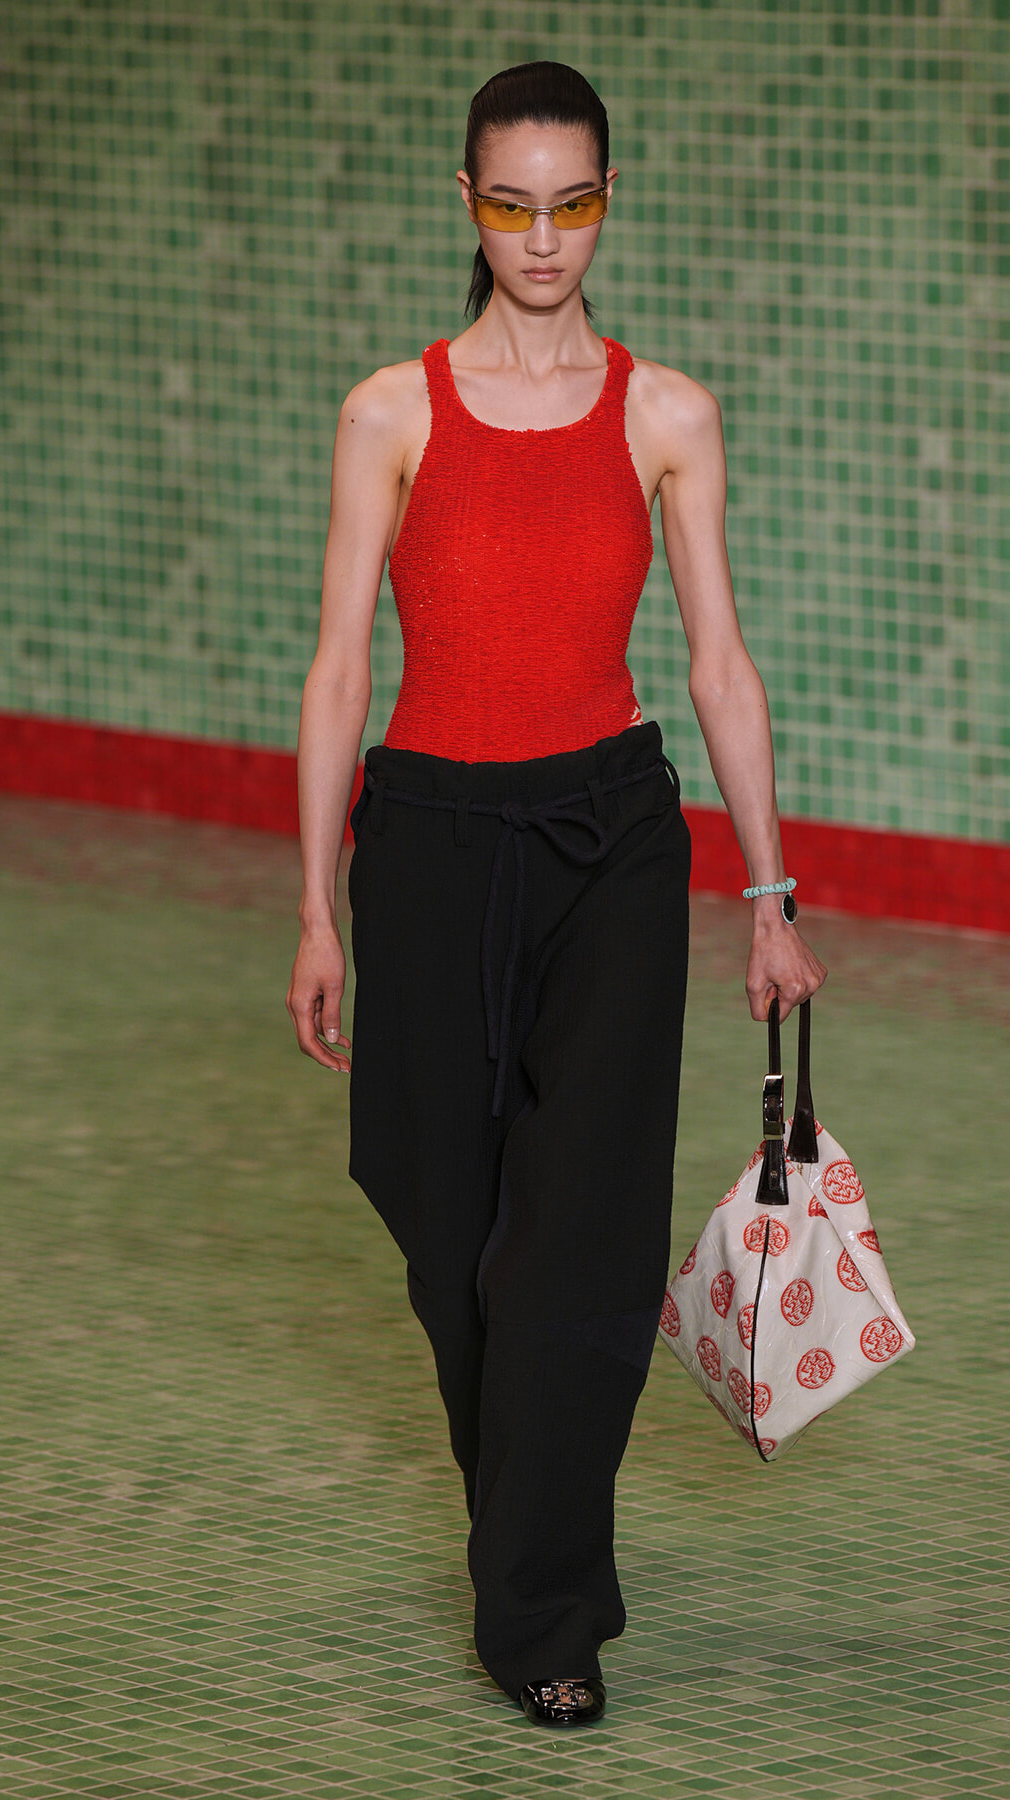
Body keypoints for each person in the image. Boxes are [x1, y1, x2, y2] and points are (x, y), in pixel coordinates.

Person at [287, 60, 826, 1728]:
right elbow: (338, 665)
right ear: (468, 204)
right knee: (446, 1225)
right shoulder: (395, 408)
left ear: (608, 200)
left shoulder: (665, 414)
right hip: (434, 845)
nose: (543, 234)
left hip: (611, 842)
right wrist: (317, 904)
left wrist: (769, 891)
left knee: (573, 1248)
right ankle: (541, 1548)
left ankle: (540, 1613)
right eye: (511, 203)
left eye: (572, 200)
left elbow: (719, 662)